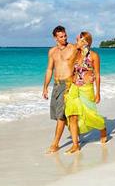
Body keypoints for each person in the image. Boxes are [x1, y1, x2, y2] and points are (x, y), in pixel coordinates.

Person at [64, 31, 107, 154]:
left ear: (89, 42)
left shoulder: (94, 56)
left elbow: (97, 75)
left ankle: (102, 128)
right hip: (73, 88)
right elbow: (68, 67)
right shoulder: (75, 54)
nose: (82, 42)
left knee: (90, 114)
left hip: (87, 88)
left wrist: (98, 92)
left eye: (84, 40)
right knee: (72, 115)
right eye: (80, 39)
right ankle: (75, 145)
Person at [42, 25, 80, 154]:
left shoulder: (73, 48)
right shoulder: (52, 51)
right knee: (62, 115)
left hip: (68, 85)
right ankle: (76, 141)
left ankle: (55, 144)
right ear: (55, 38)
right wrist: (45, 87)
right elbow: (49, 70)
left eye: (65, 35)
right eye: (61, 36)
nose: (64, 38)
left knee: (61, 116)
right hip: (57, 85)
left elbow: (86, 56)